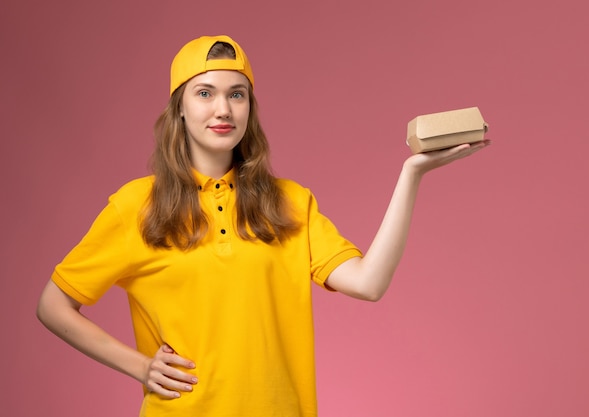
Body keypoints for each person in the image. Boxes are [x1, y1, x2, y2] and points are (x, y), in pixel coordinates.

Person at [36, 35, 489, 416]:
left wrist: (412, 174)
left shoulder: (290, 202)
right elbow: (53, 305)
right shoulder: (137, 205)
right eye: (205, 92)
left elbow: (369, 283)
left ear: (250, 107)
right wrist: (140, 367)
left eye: (237, 94)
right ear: (179, 107)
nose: (223, 109)